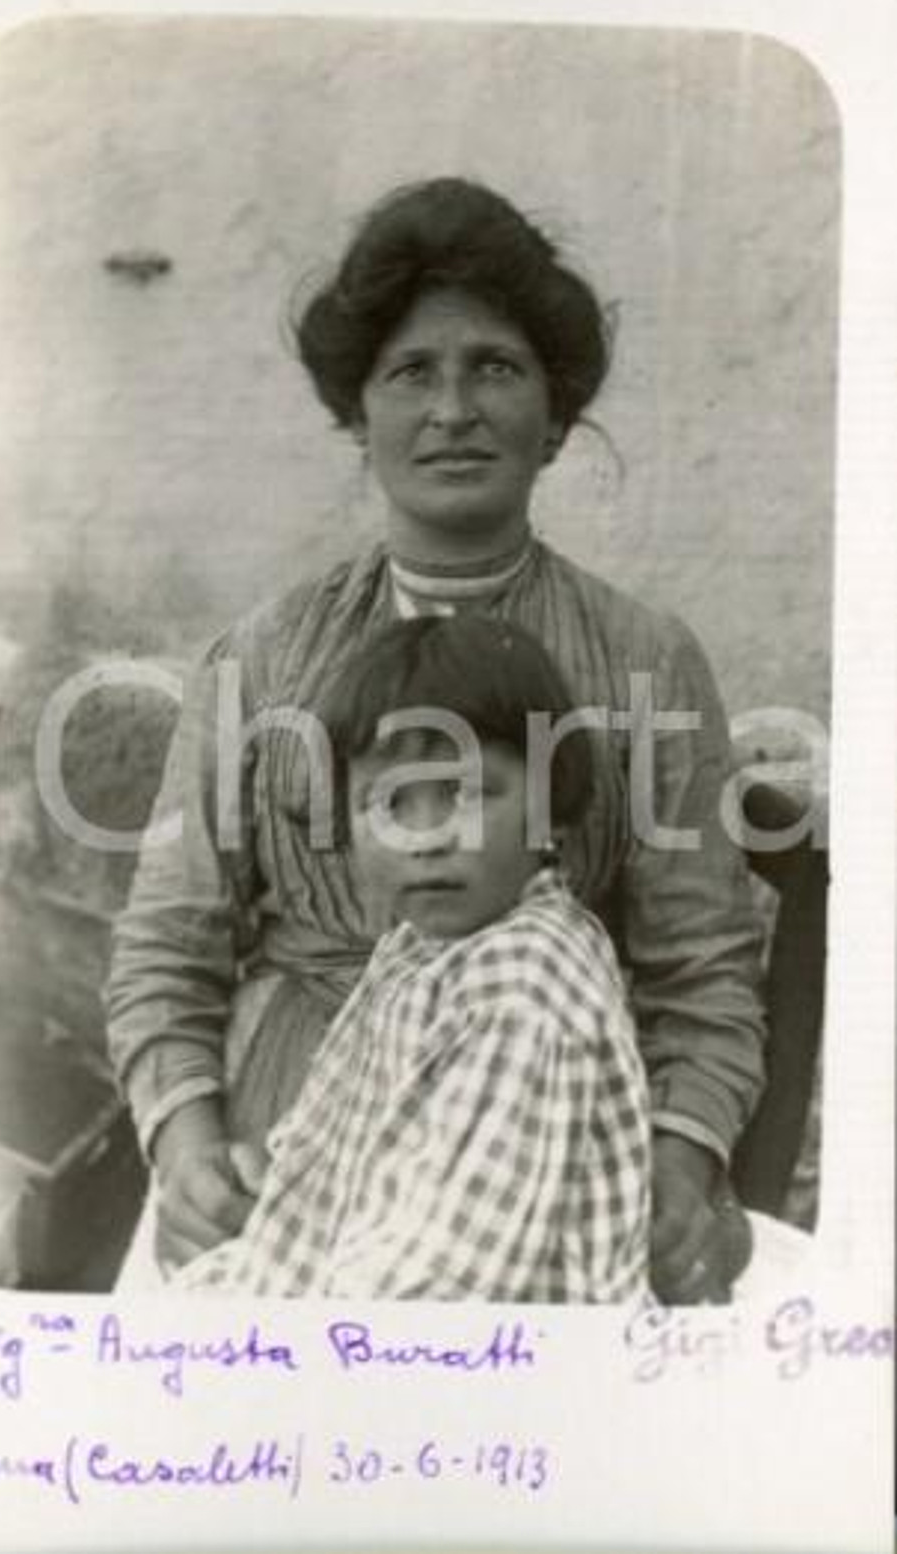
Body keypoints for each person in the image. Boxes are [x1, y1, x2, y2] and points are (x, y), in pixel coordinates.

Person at [106, 176, 764, 1302]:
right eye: (412, 373)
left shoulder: (647, 659)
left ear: (554, 416)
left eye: (494, 369)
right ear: (358, 419)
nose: (452, 408)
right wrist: (184, 1143)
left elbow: (702, 976)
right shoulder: (257, 659)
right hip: (288, 1135)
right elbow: (166, 949)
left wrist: (677, 1158)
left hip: (532, 1137)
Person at [176, 614, 651, 1300]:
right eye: (393, 802)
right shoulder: (421, 951)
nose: (427, 839)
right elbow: (360, 1162)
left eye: (463, 793)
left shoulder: (521, 994)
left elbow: (440, 1284)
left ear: (549, 809)